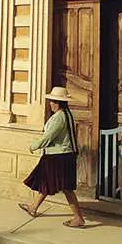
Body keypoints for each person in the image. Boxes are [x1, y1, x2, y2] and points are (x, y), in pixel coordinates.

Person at [18, 86, 86, 228]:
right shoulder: (66, 114)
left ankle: (78, 218)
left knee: (66, 187)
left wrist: (34, 146)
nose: (50, 104)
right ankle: (33, 207)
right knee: (45, 180)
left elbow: (49, 136)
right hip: (59, 155)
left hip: (59, 156)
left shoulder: (59, 117)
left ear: (58, 103)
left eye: (52, 101)